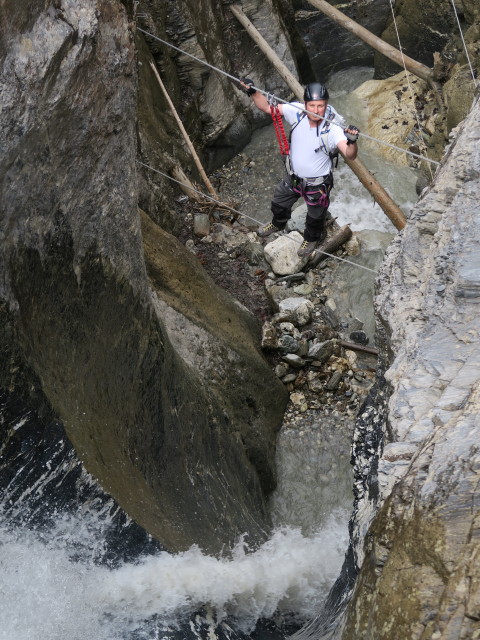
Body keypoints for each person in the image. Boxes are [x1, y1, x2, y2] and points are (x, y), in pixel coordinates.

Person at [240, 80, 359, 257]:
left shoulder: (333, 129)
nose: (317, 110)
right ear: (305, 104)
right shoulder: (297, 112)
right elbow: (267, 108)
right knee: (279, 202)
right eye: (312, 105)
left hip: (318, 184)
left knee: (315, 216)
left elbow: (349, 154)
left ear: (326, 105)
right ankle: (278, 223)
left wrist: (352, 141)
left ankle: (311, 239)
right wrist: (252, 92)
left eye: (321, 106)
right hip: (293, 176)